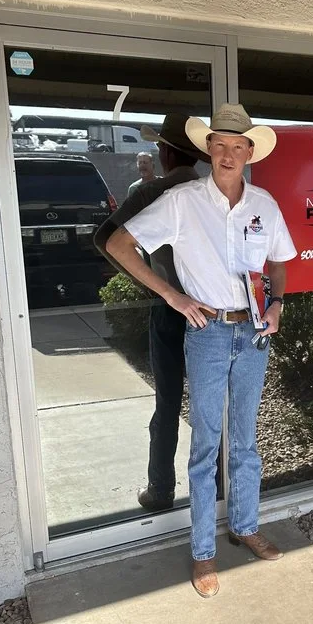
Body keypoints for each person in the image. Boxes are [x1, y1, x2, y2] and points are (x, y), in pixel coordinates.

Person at [106, 104, 296, 598]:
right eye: (221, 144)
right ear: (208, 148)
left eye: (239, 146)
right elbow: (120, 244)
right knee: (207, 442)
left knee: (247, 441)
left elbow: (278, 262)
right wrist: (172, 296)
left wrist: (276, 304)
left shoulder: (264, 205)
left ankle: (246, 525)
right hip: (209, 332)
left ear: (250, 152)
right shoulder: (183, 201)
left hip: (254, 333)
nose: (229, 153)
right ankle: (203, 552)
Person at [95, 114, 203, 512]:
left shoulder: (151, 192)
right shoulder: (212, 191)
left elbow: (105, 239)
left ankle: (160, 489)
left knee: (169, 402)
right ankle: (219, 486)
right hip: (213, 310)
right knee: (216, 404)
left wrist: (152, 285)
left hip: (169, 306)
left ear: (165, 151)